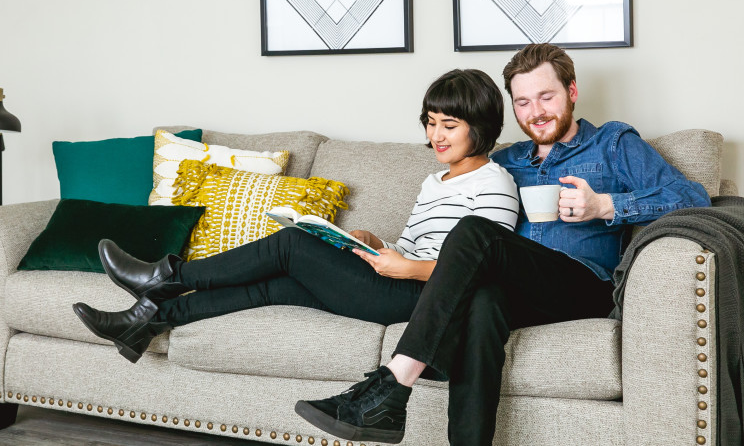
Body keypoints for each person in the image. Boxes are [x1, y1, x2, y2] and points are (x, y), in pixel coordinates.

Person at [294, 43, 712, 445]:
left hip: (584, 284)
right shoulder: (505, 163)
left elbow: (694, 198)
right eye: (523, 102)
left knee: (475, 230)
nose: (536, 112)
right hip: (521, 288)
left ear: (571, 92)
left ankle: (392, 385)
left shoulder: (612, 144)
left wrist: (605, 205)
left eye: (546, 97)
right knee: (482, 301)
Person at [72, 69, 519, 365]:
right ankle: (146, 321)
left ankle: (163, 276)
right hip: (399, 282)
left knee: (291, 244)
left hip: (424, 301)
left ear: (479, 126)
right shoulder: (434, 182)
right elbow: (416, 245)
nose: (435, 135)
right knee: (275, 286)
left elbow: (485, 270)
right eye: (431, 122)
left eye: (449, 125)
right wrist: (377, 243)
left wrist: (407, 268)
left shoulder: (494, 183)